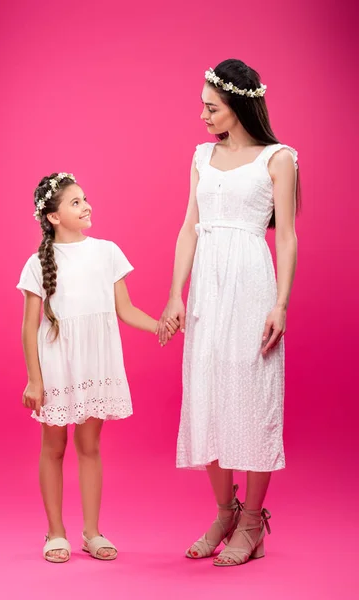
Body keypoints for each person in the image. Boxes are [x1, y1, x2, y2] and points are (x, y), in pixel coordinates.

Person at [158, 59, 299, 566]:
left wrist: (280, 303)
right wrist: (176, 293)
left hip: (252, 285)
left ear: (238, 104)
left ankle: (253, 521)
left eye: (211, 106)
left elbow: (284, 235)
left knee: (254, 396)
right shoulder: (201, 156)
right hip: (206, 292)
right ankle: (224, 511)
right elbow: (188, 228)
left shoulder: (279, 159)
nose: (202, 115)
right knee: (209, 394)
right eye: (202, 105)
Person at [17, 173, 178, 563]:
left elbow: (124, 310)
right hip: (57, 365)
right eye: (75, 202)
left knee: (90, 447)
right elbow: (29, 326)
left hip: (95, 362)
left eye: (85, 198)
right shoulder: (39, 261)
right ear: (53, 217)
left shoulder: (107, 252)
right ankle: (56, 532)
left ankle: (92, 532)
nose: (86, 205)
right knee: (54, 447)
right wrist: (34, 379)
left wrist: (158, 324)